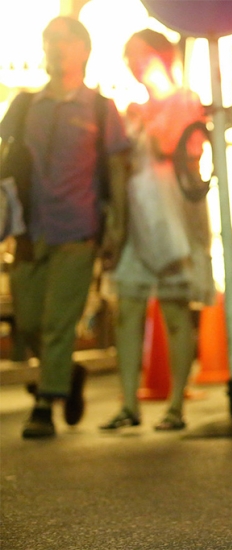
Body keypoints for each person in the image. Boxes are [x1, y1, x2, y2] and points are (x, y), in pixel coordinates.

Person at [0, 17, 131, 438]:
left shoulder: (99, 107)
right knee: (29, 321)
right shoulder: (23, 105)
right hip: (27, 229)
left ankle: (44, 404)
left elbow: (117, 170)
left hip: (78, 228)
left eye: (66, 40)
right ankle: (67, 374)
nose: (57, 48)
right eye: (50, 40)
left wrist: (118, 229)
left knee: (58, 320)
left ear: (84, 51)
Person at [99, 29, 213, 431]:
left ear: (162, 56)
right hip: (136, 216)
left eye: (141, 55)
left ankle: (175, 406)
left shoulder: (183, 100)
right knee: (127, 309)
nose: (135, 63)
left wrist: (149, 116)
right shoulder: (133, 108)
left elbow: (179, 149)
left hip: (172, 217)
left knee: (175, 311)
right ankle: (128, 402)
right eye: (130, 56)